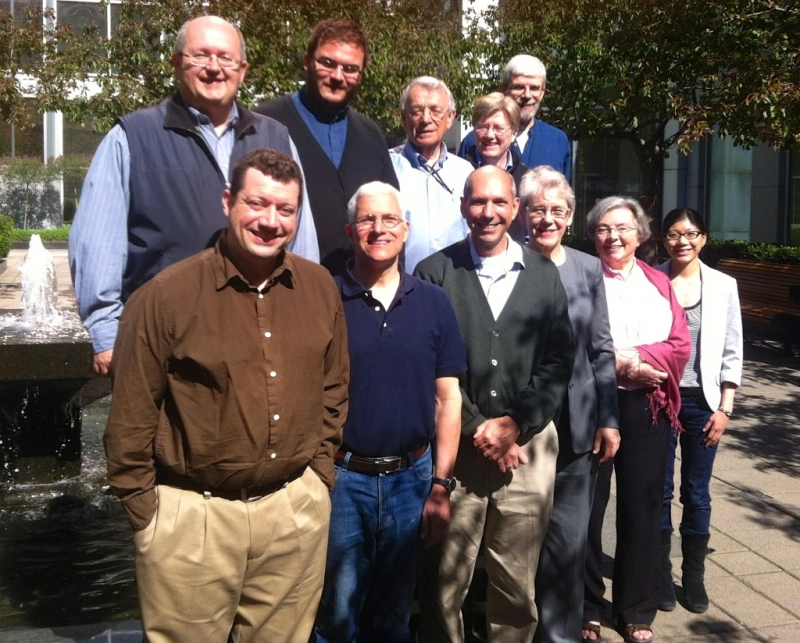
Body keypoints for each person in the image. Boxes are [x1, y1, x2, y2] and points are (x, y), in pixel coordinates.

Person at [104, 149, 349, 643]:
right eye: (257, 204)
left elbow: (335, 387)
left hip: (293, 511)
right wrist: (148, 517)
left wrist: (319, 479)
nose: (269, 221)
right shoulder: (165, 297)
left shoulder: (319, 287)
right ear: (227, 202)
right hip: (193, 519)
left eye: (285, 210)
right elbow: (131, 417)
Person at [69, 15, 318, 376]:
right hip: (164, 342)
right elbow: (96, 243)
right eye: (200, 56)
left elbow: (301, 241)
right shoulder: (133, 137)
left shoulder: (276, 137)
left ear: (242, 69)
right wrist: (107, 335)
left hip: (258, 339)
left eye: (226, 58)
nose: (214, 68)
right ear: (176, 63)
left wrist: (302, 317)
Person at [415, 166, 575, 642]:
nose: (488, 213)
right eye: (478, 202)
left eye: (500, 203)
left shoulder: (544, 275)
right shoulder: (435, 273)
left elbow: (558, 361)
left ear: (515, 209)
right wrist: (482, 429)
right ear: (463, 206)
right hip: (458, 449)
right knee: (445, 579)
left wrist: (515, 423)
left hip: (528, 450)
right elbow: (430, 367)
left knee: (515, 581)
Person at [313, 181, 465, 642]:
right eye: (367, 219)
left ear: (406, 229)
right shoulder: (326, 299)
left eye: (390, 219)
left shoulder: (435, 304)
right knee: (337, 617)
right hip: (343, 481)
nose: (379, 229)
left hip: (411, 481)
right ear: (350, 229)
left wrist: (440, 486)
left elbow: (448, 399)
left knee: (394, 617)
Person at [582, 197, 690, 643]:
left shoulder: (658, 282)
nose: (614, 237)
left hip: (647, 406)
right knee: (587, 508)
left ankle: (635, 607)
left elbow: (679, 346)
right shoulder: (580, 277)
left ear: (641, 235)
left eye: (623, 228)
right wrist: (617, 365)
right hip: (592, 403)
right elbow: (570, 341)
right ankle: (586, 603)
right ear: (593, 235)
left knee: (642, 506)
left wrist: (635, 358)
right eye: (604, 229)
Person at [519, 166, 620, 643]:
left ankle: (559, 636)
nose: (547, 219)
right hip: (523, 425)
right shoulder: (508, 262)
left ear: (571, 216)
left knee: (568, 542)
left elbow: (601, 348)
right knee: (518, 542)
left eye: (557, 210)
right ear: (523, 213)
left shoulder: (588, 267)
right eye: (538, 209)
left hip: (577, 423)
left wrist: (609, 418)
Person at [255, 18, 399, 274]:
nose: (337, 77)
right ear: (307, 61)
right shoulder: (266, 124)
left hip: (360, 291)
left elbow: (392, 217)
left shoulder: (370, 134)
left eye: (350, 68)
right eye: (327, 63)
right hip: (286, 286)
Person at [657, 208, 743, 614]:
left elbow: (732, 350)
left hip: (702, 402)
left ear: (704, 238)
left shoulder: (724, 285)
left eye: (690, 234)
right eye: (674, 234)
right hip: (658, 397)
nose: (682, 242)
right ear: (663, 239)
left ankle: (692, 576)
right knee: (657, 489)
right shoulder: (651, 280)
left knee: (696, 491)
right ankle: (658, 573)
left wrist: (725, 408)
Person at [389, 76, 474, 273]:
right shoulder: (386, 167)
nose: (426, 119)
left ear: (451, 117)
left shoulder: (465, 173)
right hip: (401, 288)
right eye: (417, 111)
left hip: (454, 288)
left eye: (436, 111)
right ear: (403, 118)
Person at [458, 55, 571, 180]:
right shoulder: (475, 141)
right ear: (504, 90)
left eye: (534, 88)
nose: (527, 95)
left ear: (542, 92)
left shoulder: (557, 141)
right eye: (519, 87)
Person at [458, 93, 529, 243]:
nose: (490, 135)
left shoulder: (526, 180)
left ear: (514, 133)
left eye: (498, 128)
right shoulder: (456, 174)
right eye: (483, 127)